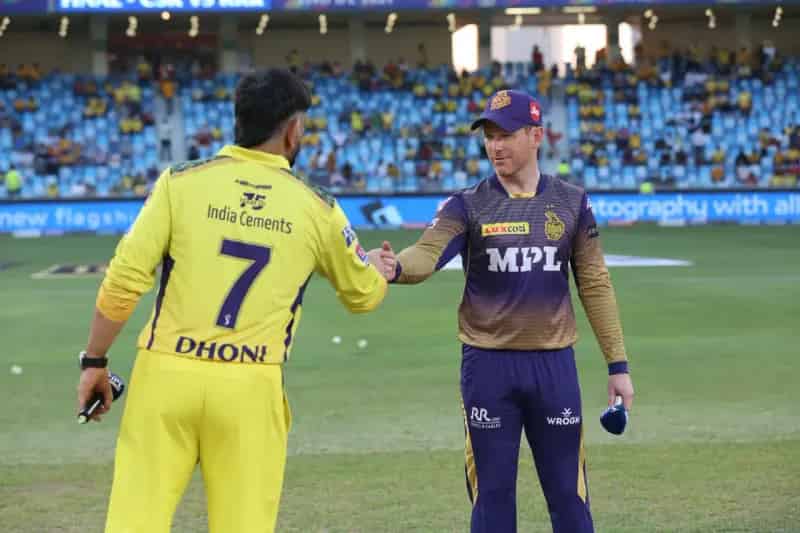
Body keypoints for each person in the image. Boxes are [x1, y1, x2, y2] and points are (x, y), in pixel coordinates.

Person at [75, 69, 395, 533]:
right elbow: (363, 295)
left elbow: (123, 281)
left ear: (238, 120)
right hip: (250, 386)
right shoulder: (318, 208)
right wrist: (378, 269)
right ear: (293, 130)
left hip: (165, 376)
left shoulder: (179, 183)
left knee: (134, 523)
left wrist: (94, 362)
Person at [376, 90, 634, 533]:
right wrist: (394, 266)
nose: (495, 146)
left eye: (506, 135)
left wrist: (618, 365)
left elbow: (594, 283)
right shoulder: (467, 204)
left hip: (554, 367)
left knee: (570, 499)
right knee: (492, 500)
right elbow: (427, 254)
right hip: (487, 369)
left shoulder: (572, 202)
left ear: (536, 136)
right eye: (489, 136)